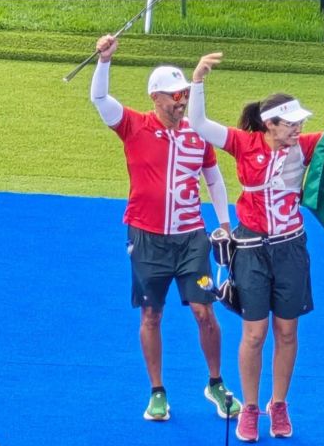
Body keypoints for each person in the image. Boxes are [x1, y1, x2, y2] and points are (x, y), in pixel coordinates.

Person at [89, 36, 241, 422]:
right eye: (174, 94)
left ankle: (216, 382)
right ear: (155, 97)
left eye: (184, 93)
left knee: (206, 313)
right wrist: (104, 61)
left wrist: (224, 225)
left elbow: (215, 180)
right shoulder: (134, 126)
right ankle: (157, 391)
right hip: (146, 237)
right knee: (151, 316)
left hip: (192, 239)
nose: (181, 100)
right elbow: (100, 101)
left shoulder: (198, 133)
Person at [188, 52, 322, 443]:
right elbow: (198, 123)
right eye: (291, 122)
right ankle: (249, 407)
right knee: (254, 334)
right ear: (270, 124)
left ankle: (278, 405)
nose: (298, 128)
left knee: (287, 331)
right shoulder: (243, 144)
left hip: (291, 248)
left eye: (300, 122)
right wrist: (198, 78)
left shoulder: (307, 145)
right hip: (251, 249)